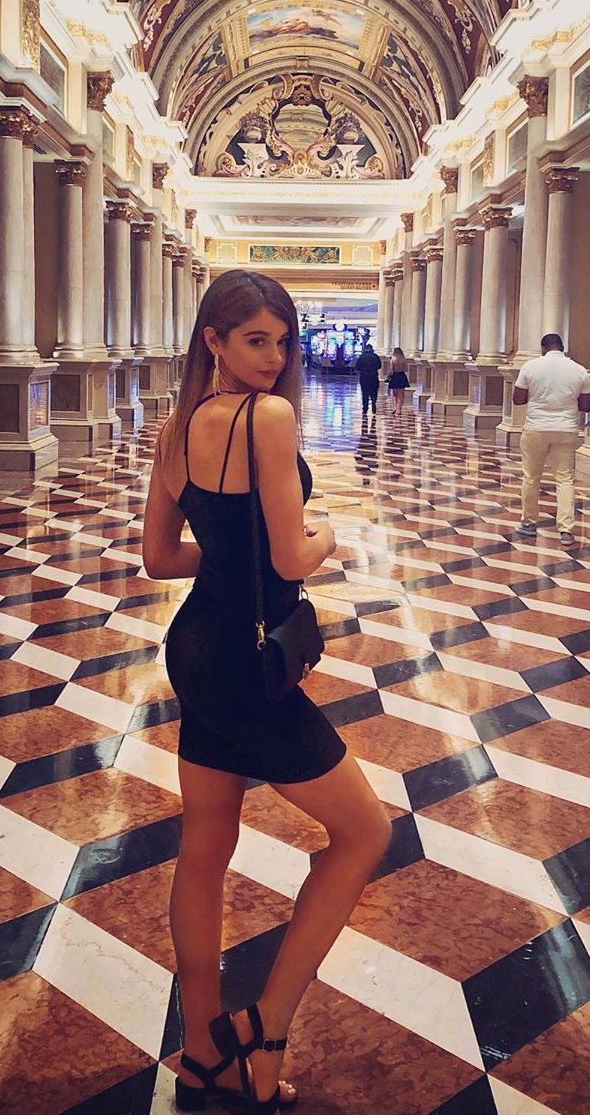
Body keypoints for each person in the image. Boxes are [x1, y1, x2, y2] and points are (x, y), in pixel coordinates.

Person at [142, 269, 391, 1114]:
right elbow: (291, 557)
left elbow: (160, 558)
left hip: (198, 649)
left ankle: (202, 1050)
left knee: (206, 840)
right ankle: (266, 1027)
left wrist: (229, 553)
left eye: (283, 341)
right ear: (212, 339)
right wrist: (328, 533)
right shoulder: (269, 418)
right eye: (256, 339)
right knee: (364, 831)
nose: (274, 357)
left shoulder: (174, 428)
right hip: (248, 664)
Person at [512, 333, 590, 545]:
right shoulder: (579, 370)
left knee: (531, 476)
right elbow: (586, 406)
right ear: (562, 347)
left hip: (536, 427)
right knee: (564, 479)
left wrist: (537, 396)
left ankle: (529, 523)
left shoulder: (530, 367)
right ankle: (566, 530)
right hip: (566, 428)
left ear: (543, 347)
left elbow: (517, 399)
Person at [356, 342, 382, 415]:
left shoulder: (361, 357)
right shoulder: (375, 356)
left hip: (364, 377)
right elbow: (379, 366)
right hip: (373, 376)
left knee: (365, 392)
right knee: (373, 391)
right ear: (372, 349)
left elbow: (357, 367)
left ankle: (365, 408)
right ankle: (373, 403)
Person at [387, 347, 410, 415]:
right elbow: (406, 369)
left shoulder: (392, 359)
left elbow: (391, 370)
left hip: (395, 376)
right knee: (401, 394)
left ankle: (395, 407)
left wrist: (389, 375)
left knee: (395, 393)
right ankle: (399, 409)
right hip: (402, 375)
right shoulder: (403, 359)